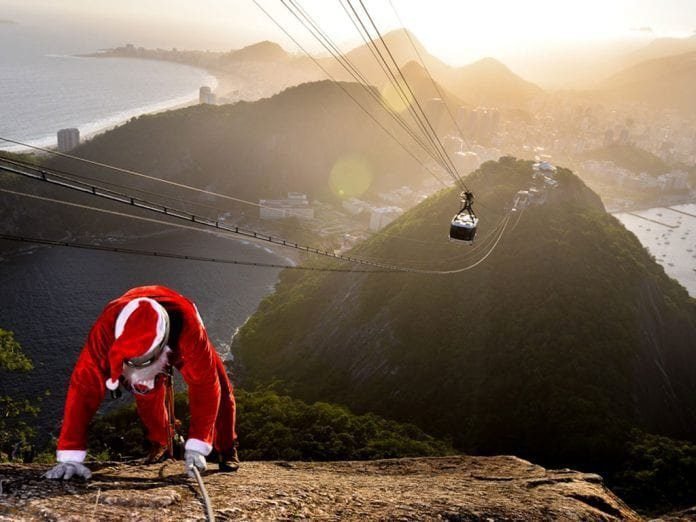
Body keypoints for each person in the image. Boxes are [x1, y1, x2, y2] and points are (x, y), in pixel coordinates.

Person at [44, 285, 238, 480]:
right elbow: (83, 389)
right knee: (146, 394)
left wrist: (198, 443)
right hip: (140, 339)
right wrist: (70, 454)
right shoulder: (105, 332)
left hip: (180, 334)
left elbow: (205, 385)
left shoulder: (189, 328)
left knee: (220, 385)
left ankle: (227, 447)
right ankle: (160, 440)